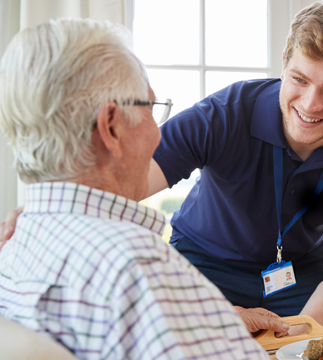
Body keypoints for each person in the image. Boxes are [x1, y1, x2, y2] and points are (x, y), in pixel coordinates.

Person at [2, 0, 323, 332]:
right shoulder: (223, 115)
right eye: (299, 79)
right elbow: (122, 182)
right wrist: (44, 213)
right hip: (204, 262)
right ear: (284, 63)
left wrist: (290, 338)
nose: (310, 104)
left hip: (299, 271)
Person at [0, 18, 283, 359]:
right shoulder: (139, 269)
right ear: (111, 127)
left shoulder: (14, 245)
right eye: (150, 108)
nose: (158, 133)